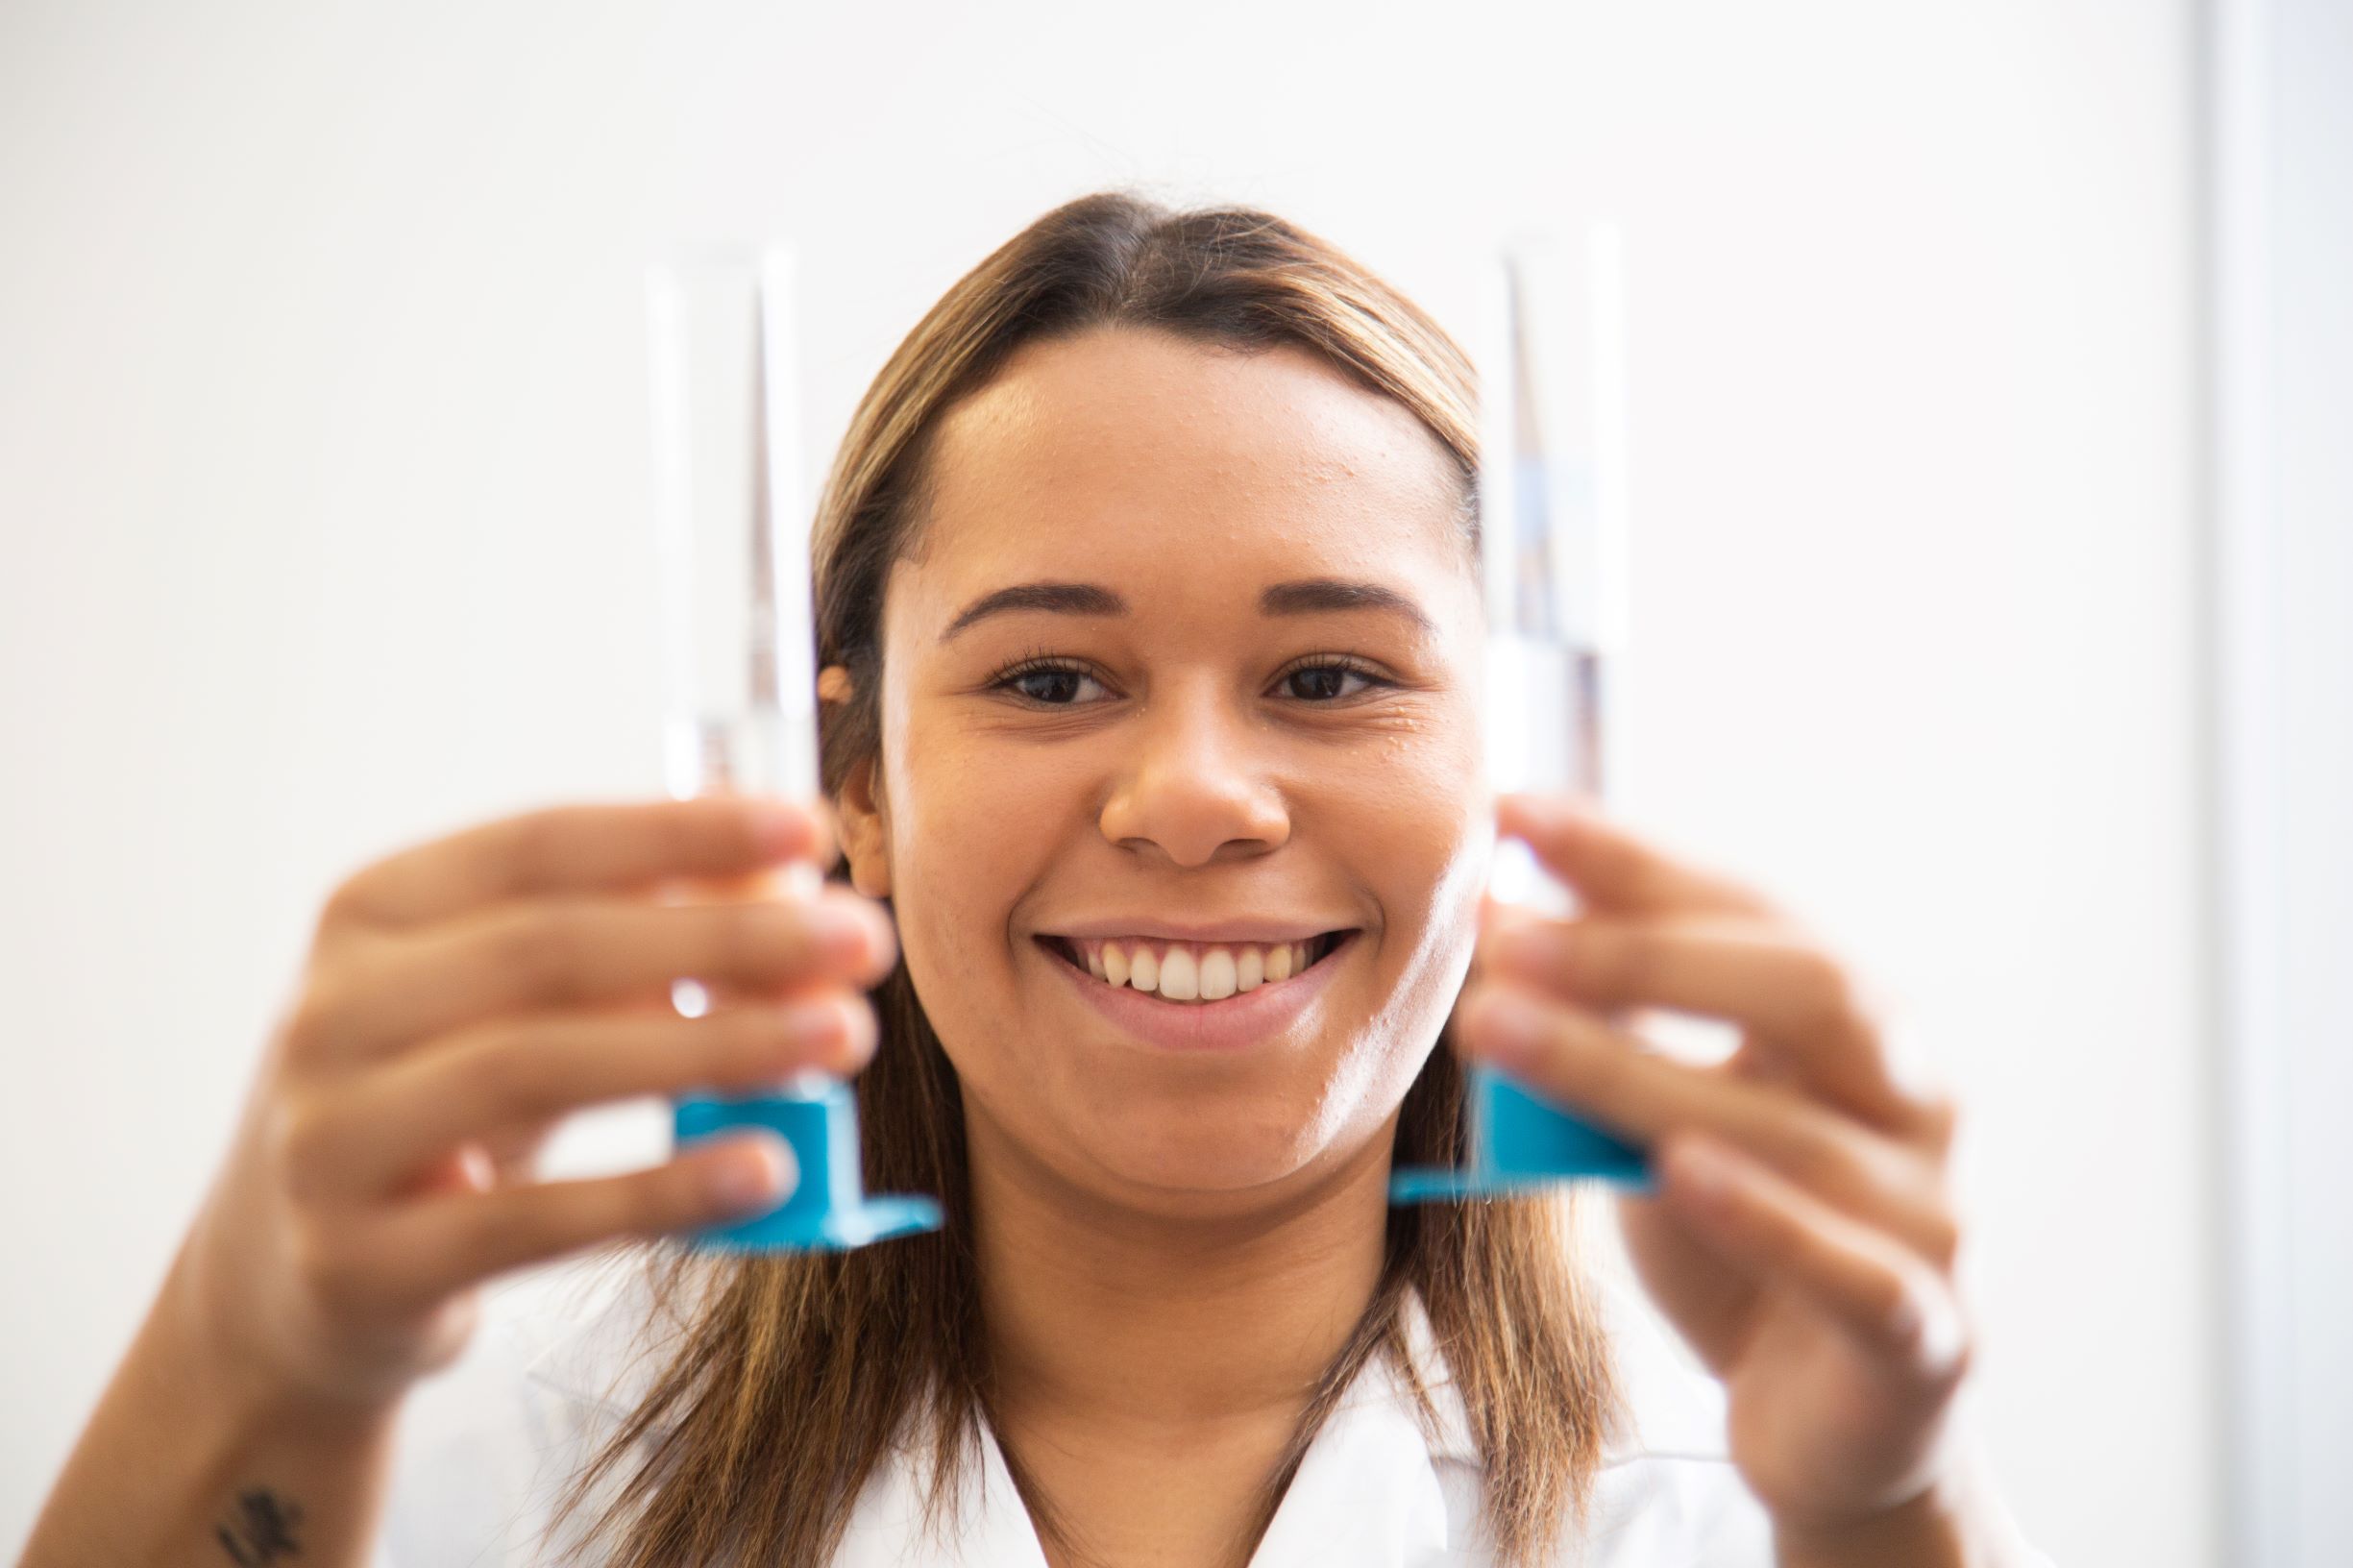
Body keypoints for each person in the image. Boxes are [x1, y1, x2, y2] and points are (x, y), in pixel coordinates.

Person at [24, 191, 2052, 1567]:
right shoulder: (493, 1499)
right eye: (1050, 675)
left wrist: (1885, 1525)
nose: (1193, 799)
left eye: (1329, 674)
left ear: (1509, 774)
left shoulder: (1726, 1514)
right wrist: (242, 1356)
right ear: (855, 786)